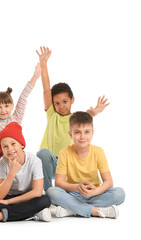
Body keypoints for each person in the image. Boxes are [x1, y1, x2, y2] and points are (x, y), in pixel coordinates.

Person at [36, 46, 110, 191]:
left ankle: (68, 192)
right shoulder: (52, 114)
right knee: (42, 153)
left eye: (65, 101)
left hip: (68, 166)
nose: (61, 106)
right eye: (57, 103)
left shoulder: (75, 119)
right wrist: (44, 64)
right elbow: (46, 88)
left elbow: (87, 115)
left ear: (72, 100)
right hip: (51, 163)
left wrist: (96, 111)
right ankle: (47, 192)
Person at [47, 111, 125, 218]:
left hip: (95, 195)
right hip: (73, 194)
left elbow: (108, 182)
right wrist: (77, 187)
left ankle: (72, 210)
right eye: (78, 132)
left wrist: (95, 191)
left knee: (120, 193)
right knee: (51, 192)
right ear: (71, 134)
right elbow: (59, 183)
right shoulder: (64, 153)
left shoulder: (98, 152)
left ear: (92, 133)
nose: (83, 136)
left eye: (87, 132)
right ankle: (94, 210)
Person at [0, 122, 51, 224]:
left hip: (28, 198)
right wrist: (12, 173)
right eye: (5, 146)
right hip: (9, 196)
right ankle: (32, 213)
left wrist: (8, 202)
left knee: (45, 200)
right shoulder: (2, 163)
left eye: (13, 144)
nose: (10, 149)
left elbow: (37, 192)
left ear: (21, 144)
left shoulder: (34, 161)